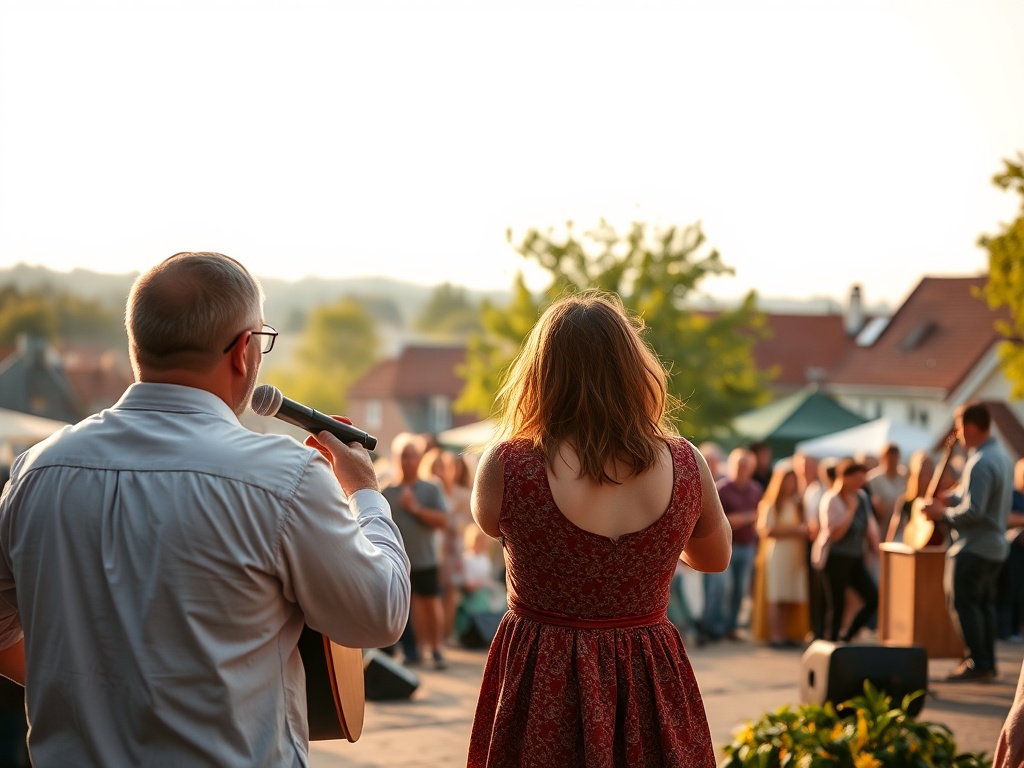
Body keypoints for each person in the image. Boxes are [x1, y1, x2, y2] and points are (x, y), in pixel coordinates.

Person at [0, 252, 410, 767]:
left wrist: (94, 683)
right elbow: (382, 614)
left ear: (137, 345)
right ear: (243, 351)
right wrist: (365, 492)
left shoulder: (35, 472)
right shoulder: (283, 477)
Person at [467, 292, 731, 767]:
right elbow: (715, 557)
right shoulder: (687, 463)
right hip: (647, 673)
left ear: (540, 374)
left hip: (545, 676)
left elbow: (488, 524)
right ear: (634, 369)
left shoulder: (508, 465)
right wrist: (660, 545)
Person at [922, 401, 1013, 681]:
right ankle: (986, 662)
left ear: (971, 427)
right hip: (993, 546)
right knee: (983, 606)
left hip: (973, 546)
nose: (958, 434)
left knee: (963, 603)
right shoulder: (1000, 456)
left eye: (959, 427)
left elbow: (975, 512)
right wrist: (958, 496)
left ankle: (978, 663)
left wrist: (941, 512)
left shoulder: (980, 461)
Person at [384, 433, 450, 669]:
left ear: (419, 458)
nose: (407, 461)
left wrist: (415, 509)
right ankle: (411, 651)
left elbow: (443, 520)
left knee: (431, 604)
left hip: (425, 559)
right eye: (403, 456)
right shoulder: (387, 492)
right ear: (395, 458)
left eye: (412, 456)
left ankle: (437, 649)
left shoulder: (431, 488)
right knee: (402, 607)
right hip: (398, 562)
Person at [812, 458, 880, 643]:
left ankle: (848, 635)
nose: (861, 483)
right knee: (836, 604)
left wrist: (874, 546)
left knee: (873, 597)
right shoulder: (831, 499)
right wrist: (849, 511)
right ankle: (830, 642)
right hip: (835, 557)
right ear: (845, 477)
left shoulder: (861, 497)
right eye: (858, 478)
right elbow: (835, 534)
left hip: (855, 557)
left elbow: (867, 524)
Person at [702, 447, 762, 642]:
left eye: (746, 465)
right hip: (725, 545)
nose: (742, 469)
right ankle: (713, 626)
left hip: (747, 545)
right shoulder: (721, 488)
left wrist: (741, 519)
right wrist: (747, 517)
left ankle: (731, 627)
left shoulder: (755, 489)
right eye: (739, 465)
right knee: (721, 587)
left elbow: (760, 517)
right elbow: (719, 519)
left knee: (739, 589)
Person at [753, 463, 809, 647]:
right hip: (778, 554)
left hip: (794, 554)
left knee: (789, 596)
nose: (791, 485)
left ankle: (786, 633)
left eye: (793, 481)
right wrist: (794, 530)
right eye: (788, 481)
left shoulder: (798, 504)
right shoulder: (770, 505)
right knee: (776, 595)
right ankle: (775, 635)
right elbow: (766, 531)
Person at [866, 443, 907, 535]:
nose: (892, 461)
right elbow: (878, 507)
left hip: (902, 528)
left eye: (895, 457)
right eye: (890, 458)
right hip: (881, 528)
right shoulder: (873, 479)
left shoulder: (904, 476)